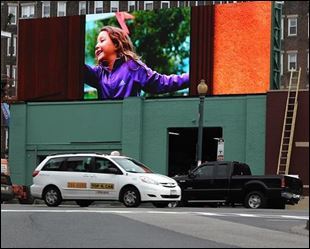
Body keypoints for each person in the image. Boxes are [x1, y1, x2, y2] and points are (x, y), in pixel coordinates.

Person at [84, 26, 189, 100]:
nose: (97, 45)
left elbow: (161, 83)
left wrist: (192, 77)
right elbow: (77, 69)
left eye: (102, 40)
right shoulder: (99, 74)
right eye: (97, 42)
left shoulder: (132, 66)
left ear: (116, 44)